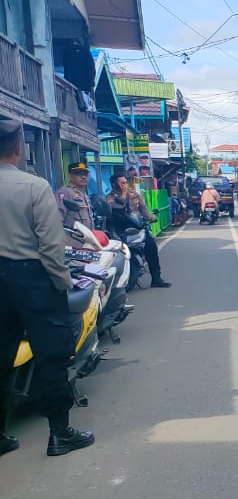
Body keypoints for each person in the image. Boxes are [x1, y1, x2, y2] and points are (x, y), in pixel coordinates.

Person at [0, 119, 95, 457]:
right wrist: (62, 283)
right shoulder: (34, 186)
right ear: (18, 148)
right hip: (33, 279)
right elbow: (51, 247)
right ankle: (59, 434)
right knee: (51, 356)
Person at [106, 172, 172, 288]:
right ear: (114, 185)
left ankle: (156, 278)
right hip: (119, 230)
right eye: (122, 183)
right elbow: (115, 210)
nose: (125, 185)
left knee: (151, 248)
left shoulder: (134, 195)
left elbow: (143, 209)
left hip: (137, 227)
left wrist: (151, 218)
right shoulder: (110, 199)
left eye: (126, 183)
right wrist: (123, 194)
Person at [55, 162, 94, 230]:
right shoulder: (64, 192)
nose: (83, 177)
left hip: (86, 237)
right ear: (70, 176)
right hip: (72, 237)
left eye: (85, 174)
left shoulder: (84, 195)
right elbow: (57, 217)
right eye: (79, 174)